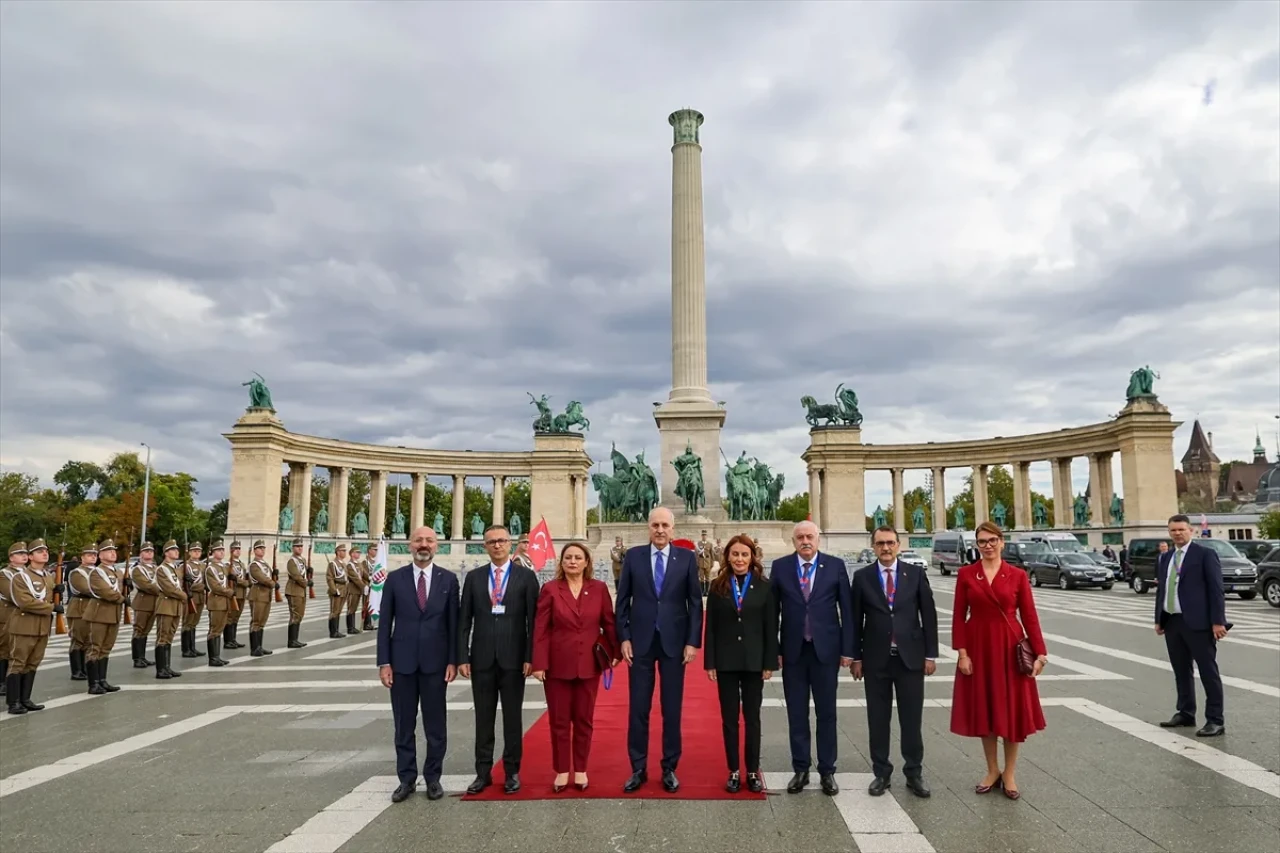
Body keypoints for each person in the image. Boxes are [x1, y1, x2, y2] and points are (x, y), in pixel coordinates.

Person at [950, 521, 1048, 800]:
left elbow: (1029, 616)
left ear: (1002, 542)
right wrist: (962, 653)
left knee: (1013, 713)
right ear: (976, 545)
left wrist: (1040, 653)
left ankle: (1010, 773)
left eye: (992, 540)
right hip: (979, 647)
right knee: (986, 711)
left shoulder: (1016, 575)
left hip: (1010, 649)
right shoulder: (967, 574)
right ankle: (992, 770)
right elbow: (959, 615)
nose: (988, 546)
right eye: (982, 541)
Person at [615, 507, 703, 793]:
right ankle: (638, 767)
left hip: (674, 644)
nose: (660, 530)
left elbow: (695, 603)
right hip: (639, 642)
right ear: (648, 528)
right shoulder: (634, 557)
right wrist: (624, 637)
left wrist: (692, 641)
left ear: (673, 529)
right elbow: (623, 601)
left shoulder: (687, 558)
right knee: (638, 708)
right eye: (655, 525)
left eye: (665, 525)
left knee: (671, 707)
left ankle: (669, 767)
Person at [850, 526, 938, 798]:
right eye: (880, 544)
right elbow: (854, 621)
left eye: (890, 543)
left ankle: (914, 772)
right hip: (876, 659)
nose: (885, 548)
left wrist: (930, 654)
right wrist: (856, 656)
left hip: (909, 658)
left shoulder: (915, 574)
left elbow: (929, 615)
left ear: (898, 545)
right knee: (878, 719)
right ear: (873, 546)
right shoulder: (862, 577)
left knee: (911, 719)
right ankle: (881, 773)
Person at [377, 526, 459, 803]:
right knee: (403, 724)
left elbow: (453, 625)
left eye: (429, 540)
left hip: (436, 664)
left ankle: (433, 777)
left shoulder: (448, 580)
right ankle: (406, 778)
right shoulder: (395, 579)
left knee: (436, 725)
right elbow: (385, 623)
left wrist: (453, 660)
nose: (424, 545)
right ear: (409, 545)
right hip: (402, 664)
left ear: (437, 545)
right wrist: (384, 662)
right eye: (418, 540)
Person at [771, 520, 852, 795]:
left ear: (818, 539)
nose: (805, 541)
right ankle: (801, 768)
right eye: (800, 537)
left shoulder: (835, 566)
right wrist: (774, 651)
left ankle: (827, 771)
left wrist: (848, 650)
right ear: (793, 541)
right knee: (797, 713)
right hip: (793, 651)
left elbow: (847, 610)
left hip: (825, 652)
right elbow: (772, 613)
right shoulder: (780, 567)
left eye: (810, 536)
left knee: (826, 713)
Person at [532, 541, 618, 792]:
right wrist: (539, 663)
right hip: (557, 665)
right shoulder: (550, 589)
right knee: (559, 721)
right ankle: (561, 770)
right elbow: (540, 629)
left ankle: (580, 770)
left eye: (577, 557)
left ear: (586, 562)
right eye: (568, 557)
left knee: (584, 720)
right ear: (561, 563)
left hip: (589, 665)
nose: (572, 561)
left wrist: (613, 652)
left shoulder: (599, 589)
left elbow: (609, 623)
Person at [459, 524, 539, 795]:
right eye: (492, 541)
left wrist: (531, 657)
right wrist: (462, 656)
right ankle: (482, 772)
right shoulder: (474, 577)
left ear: (510, 543)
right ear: (485, 546)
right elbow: (464, 621)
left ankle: (512, 771)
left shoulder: (526, 577)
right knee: (483, 718)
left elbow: (534, 621)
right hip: (481, 658)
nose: (497, 545)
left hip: (514, 659)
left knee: (513, 718)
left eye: (502, 540)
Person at [703, 534, 777, 793]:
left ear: (752, 557)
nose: (739, 559)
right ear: (727, 557)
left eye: (744, 554)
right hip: (725, 661)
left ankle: (752, 771)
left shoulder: (765, 587)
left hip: (754, 661)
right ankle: (734, 770)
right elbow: (710, 627)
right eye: (735, 554)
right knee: (729, 718)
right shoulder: (717, 586)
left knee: (752, 718)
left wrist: (769, 662)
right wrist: (710, 662)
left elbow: (771, 627)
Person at [1154, 514, 1228, 737]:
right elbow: (1163, 590)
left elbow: (1216, 590)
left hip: (1199, 623)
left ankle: (1215, 719)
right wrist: (1159, 618)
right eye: (1173, 530)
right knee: (1180, 670)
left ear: (1191, 530)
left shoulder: (1204, 555)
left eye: (1181, 529)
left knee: (1208, 671)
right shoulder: (1166, 557)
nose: (1177, 533)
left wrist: (1218, 621)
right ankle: (1186, 712)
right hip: (1173, 620)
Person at [6, 539, 61, 714]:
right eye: (39, 551)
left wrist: (57, 590)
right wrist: (51, 607)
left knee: (33, 663)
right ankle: (13, 702)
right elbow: (25, 602)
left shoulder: (48, 576)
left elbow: (48, 596)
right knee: (18, 662)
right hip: (24, 625)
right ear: (30, 557)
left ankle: (25, 698)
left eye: (45, 550)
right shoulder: (21, 577)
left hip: (42, 626)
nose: (45, 553)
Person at [83, 539, 125, 693]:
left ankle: (102, 680)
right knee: (95, 647)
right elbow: (104, 591)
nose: (113, 552)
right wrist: (121, 598)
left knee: (106, 648)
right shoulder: (96, 572)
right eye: (108, 550)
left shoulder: (117, 572)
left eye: (114, 550)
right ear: (100, 555)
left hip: (113, 614)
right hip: (99, 613)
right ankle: (93, 683)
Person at [153, 541, 188, 679]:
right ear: (166, 553)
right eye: (173, 550)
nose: (176, 552)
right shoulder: (162, 569)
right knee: (162, 636)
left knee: (170, 637)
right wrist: (184, 595)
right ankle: (160, 669)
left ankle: (166, 667)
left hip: (175, 606)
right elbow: (169, 588)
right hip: (166, 605)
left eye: (176, 550)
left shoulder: (175, 569)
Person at [0, 542, 29, 695]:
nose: (24, 556)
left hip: (25, 616)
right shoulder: (5, 574)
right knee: (5, 649)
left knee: (19, 650)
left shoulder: (30, 573)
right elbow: (11, 594)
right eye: (20, 554)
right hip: (8, 615)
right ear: (11, 558)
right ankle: (2, 682)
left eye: (25, 553)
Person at [129, 543, 159, 668]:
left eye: (151, 551)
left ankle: (143, 657)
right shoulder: (137, 569)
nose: (149, 553)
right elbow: (145, 585)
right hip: (142, 602)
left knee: (146, 631)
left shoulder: (155, 568)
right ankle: (137, 658)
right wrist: (163, 590)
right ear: (141, 553)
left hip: (154, 603)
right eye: (146, 551)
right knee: (139, 630)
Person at [247, 540, 275, 656]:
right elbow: (261, 578)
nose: (262, 550)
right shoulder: (254, 565)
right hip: (258, 594)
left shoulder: (264, 564)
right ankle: (254, 648)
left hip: (266, 595)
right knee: (256, 621)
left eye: (263, 548)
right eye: (259, 548)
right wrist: (272, 583)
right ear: (254, 550)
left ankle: (259, 646)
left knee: (262, 621)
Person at [284, 539, 311, 648]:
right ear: (293, 548)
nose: (299, 548)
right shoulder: (292, 561)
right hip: (294, 590)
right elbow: (296, 576)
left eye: (301, 546)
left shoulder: (302, 560)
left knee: (300, 615)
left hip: (301, 591)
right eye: (297, 546)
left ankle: (295, 639)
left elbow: (303, 574)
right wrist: (307, 582)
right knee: (295, 615)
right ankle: (291, 640)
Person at [326, 542, 349, 639]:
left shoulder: (343, 563)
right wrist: (334, 590)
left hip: (344, 589)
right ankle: (333, 631)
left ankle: (336, 630)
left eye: (345, 551)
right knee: (334, 611)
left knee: (339, 611)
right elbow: (329, 577)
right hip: (337, 589)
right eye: (343, 551)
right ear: (338, 552)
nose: (344, 553)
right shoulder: (333, 564)